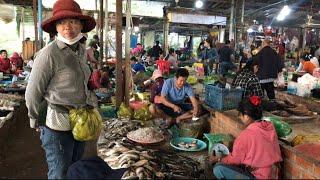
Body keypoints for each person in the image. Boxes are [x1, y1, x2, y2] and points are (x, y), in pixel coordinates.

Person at [25, 0, 97, 178]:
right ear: (55, 27)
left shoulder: (80, 51)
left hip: (79, 122)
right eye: (62, 22)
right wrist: (35, 119)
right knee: (60, 172)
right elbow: (33, 92)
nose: (68, 27)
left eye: (73, 21)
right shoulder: (49, 54)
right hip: (57, 123)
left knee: (74, 167)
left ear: (81, 25)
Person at [211, 96, 282, 179]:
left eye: (240, 115)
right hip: (273, 175)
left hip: (259, 176)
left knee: (219, 168)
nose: (239, 117)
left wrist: (218, 159)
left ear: (246, 115)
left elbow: (235, 160)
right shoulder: (269, 126)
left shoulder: (246, 135)